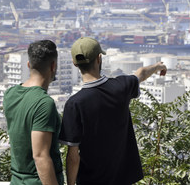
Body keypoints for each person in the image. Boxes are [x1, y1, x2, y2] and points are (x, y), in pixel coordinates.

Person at [59, 37, 167, 185]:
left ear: (74, 63)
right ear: (99, 58)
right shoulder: (121, 87)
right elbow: (141, 73)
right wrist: (157, 66)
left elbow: (73, 155)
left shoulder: (74, 104)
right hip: (123, 178)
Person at [3, 40, 63, 185]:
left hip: (16, 180)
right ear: (53, 66)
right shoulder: (44, 103)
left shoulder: (10, 94)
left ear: (29, 65)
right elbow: (40, 156)